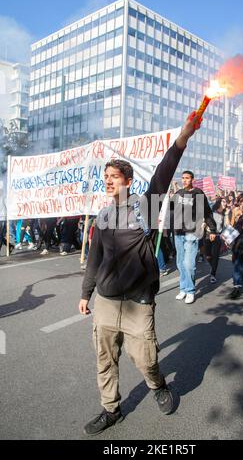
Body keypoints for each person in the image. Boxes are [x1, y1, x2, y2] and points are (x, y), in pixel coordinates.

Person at [78, 111, 202, 436]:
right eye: (106, 176)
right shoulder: (103, 215)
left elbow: (163, 173)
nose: (108, 181)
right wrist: (84, 293)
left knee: (145, 359)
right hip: (105, 302)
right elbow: (95, 258)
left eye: (114, 177)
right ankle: (111, 410)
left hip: (138, 302)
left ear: (128, 181)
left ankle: (158, 385)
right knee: (105, 359)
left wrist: (182, 138)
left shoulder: (143, 208)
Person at [173, 170, 216, 304]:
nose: (184, 180)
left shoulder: (198, 193)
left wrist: (213, 229)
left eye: (187, 178)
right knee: (180, 263)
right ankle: (183, 288)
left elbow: (207, 212)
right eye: (183, 178)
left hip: (192, 232)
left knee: (189, 264)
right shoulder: (178, 193)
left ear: (192, 180)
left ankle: (191, 290)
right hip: (178, 232)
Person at [204, 197, 230, 283]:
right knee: (208, 256)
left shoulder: (224, 214)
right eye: (223, 201)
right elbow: (206, 221)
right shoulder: (212, 211)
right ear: (218, 202)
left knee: (215, 256)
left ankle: (213, 274)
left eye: (226, 202)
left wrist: (226, 214)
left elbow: (227, 225)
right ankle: (213, 267)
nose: (225, 203)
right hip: (208, 235)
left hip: (217, 236)